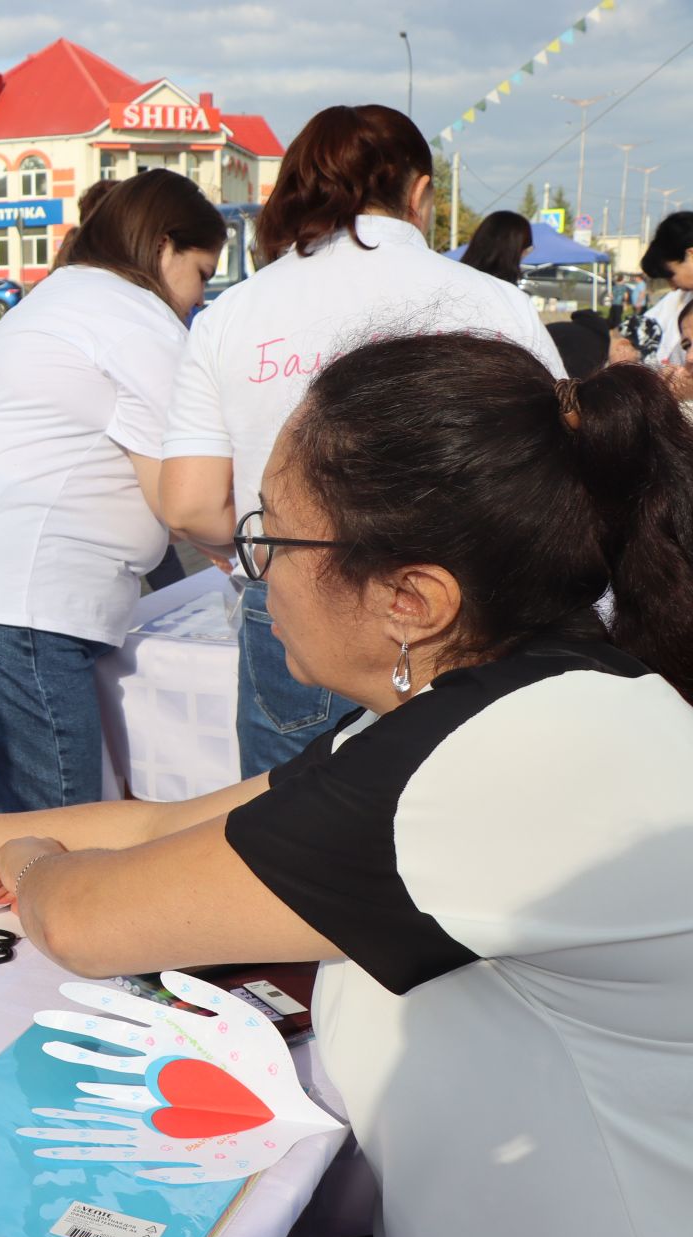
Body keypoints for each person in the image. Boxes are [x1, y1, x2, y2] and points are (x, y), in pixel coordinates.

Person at [0, 333, 693, 1237]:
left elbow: (88, 918)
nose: (250, 571)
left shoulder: (494, 769)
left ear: (412, 597)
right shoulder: (516, 699)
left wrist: (28, 862)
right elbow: (166, 827)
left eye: (271, 538)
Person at [160, 103, 564, 776]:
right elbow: (554, 463)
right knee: (452, 806)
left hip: (297, 596)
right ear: (419, 193)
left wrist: (265, 561)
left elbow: (190, 506)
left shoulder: (233, 314)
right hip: (463, 602)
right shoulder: (492, 303)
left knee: (287, 825)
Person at [0, 171, 227, 812]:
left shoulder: (55, 301)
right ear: (162, 247)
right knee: (60, 846)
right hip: (15, 612)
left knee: (9, 829)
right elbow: (187, 502)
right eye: (202, 273)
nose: (196, 299)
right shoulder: (137, 320)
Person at [625, 211, 693, 368]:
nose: (673, 287)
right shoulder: (684, 295)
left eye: (671, 275)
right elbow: (646, 323)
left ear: (691, 255)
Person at [458, 210, 533, 286]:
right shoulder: (507, 293)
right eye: (526, 249)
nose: (525, 254)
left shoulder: (455, 277)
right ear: (513, 250)